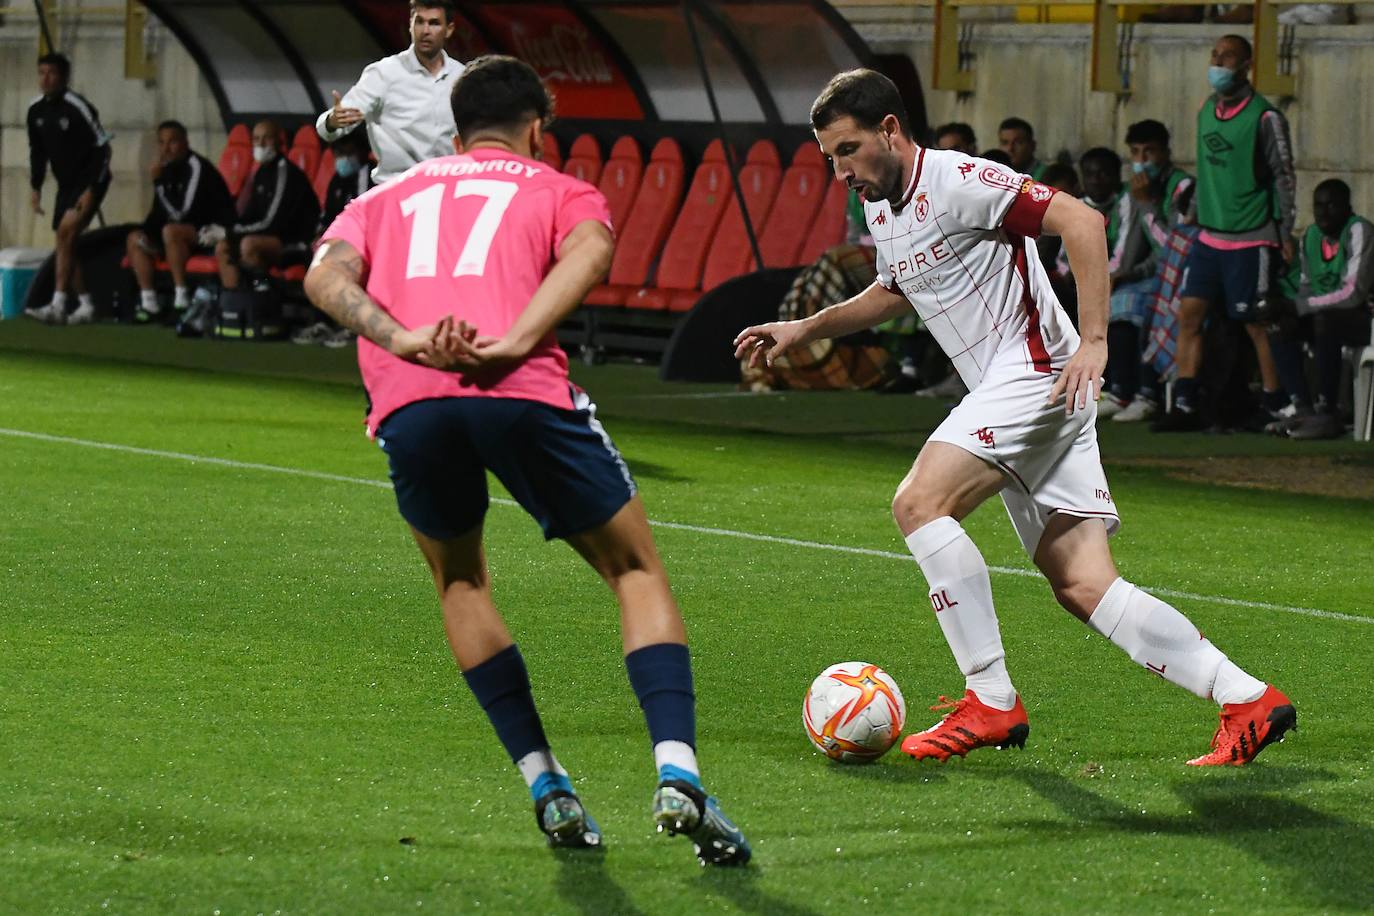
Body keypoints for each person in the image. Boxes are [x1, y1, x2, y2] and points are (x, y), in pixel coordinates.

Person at [735, 68, 1295, 768]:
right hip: (1027, 394)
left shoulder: (960, 177)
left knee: (919, 503)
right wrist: (805, 327)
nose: (839, 170)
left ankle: (991, 698)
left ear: (888, 130)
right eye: (828, 159)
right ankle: (1246, 697)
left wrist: (1095, 340)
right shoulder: (882, 204)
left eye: (846, 150)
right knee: (1083, 583)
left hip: (1034, 373)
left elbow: (1081, 221)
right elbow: (894, 289)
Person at [304, 55, 750, 864]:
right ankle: (677, 771)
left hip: (411, 397)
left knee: (462, 580)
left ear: (453, 128)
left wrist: (405, 338)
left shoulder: (382, 197)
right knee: (634, 570)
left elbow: (324, 276)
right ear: (538, 129)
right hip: (522, 391)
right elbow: (590, 252)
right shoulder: (557, 188)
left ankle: (546, 782)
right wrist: (509, 343)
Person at [1156, 34, 1298, 432]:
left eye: (1227, 57)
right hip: (1209, 236)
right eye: (1214, 55)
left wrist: (1285, 231)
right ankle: (1184, 399)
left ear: (1246, 64)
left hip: (1250, 236)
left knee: (1256, 322)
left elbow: (1284, 176)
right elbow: (1207, 169)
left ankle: (1274, 399)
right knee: (1189, 315)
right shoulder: (1205, 110)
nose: (1218, 63)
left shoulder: (1265, 118)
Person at [1268, 179, 1374, 439]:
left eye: (1331, 206)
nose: (1324, 213)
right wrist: (1290, 310)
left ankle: (1329, 412)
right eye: (1318, 206)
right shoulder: (1311, 238)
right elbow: (1306, 286)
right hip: (1327, 316)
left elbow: (1354, 294)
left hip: (1365, 318)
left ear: (1347, 207)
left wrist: (1300, 306)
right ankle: (1303, 408)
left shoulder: (1359, 230)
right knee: (1279, 323)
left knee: (1323, 320)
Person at [315, 0, 464, 184]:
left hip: (445, 190)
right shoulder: (383, 74)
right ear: (410, 24)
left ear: (449, 29)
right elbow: (332, 126)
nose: (425, 30)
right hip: (395, 190)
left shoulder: (462, 77)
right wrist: (332, 122)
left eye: (434, 23)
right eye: (419, 21)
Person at [1112, 120, 1195, 423]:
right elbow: (1129, 248)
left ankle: (1149, 393)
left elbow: (1176, 249)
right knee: (1120, 297)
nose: (1142, 160)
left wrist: (1147, 205)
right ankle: (1119, 389)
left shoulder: (1182, 188)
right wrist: (1118, 274)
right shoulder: (1133, 191)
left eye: (1150, 152)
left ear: (1166, 153)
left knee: (1152, 303)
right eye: (1135, 152)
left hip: (1185, 275)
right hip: (1154, 274)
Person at [24, 52, 112, 325]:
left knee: (65, 232)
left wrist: (91, 189)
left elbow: (103, 148)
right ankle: (86, 304)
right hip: (65, 185)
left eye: (51, 73)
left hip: (89, 181)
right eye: (41, 73)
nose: (45, 79)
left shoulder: (78, 107)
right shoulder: (35, 110)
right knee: (66, 243)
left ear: (63, 77)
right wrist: (36, 187)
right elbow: (37, 152)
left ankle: (58, 304)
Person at [125, 120, 235, 319]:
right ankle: (149, 303)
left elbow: (182, 213)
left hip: (208, 232)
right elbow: (158, 213)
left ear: (185, 142)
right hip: (180, 234)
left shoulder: (196, 167)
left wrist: (158, 183)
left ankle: (181, 298)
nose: (166, 148)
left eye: (172, 142)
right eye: (162, 143)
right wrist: (146, 235)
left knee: (171, 232)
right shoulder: (166, 169)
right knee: (135, 238)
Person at [209, 120, 320, 297]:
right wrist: (226, 230)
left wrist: (230, 232)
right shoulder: (261, 172)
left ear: (279, 141)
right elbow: (250, 215)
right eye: (256, 139)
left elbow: (272, 223)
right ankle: (235, 304)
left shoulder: (286, 172)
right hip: (269, 237)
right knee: (223, 247)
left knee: (248, 245)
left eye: (266, 138)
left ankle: (262, 305)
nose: (260, 144)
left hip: (295, 242)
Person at [294, 133, 375, 348]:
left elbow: (361, 215)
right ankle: (321, 321)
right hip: (339, 239)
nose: (343, 158)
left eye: (347, 152)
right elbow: (327, 214)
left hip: (363, 241)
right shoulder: (338, 179)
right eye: (338, 153)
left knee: (345, 261)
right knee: (314, 255)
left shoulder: (369, 175)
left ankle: (352, 326)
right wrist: (320, 235)